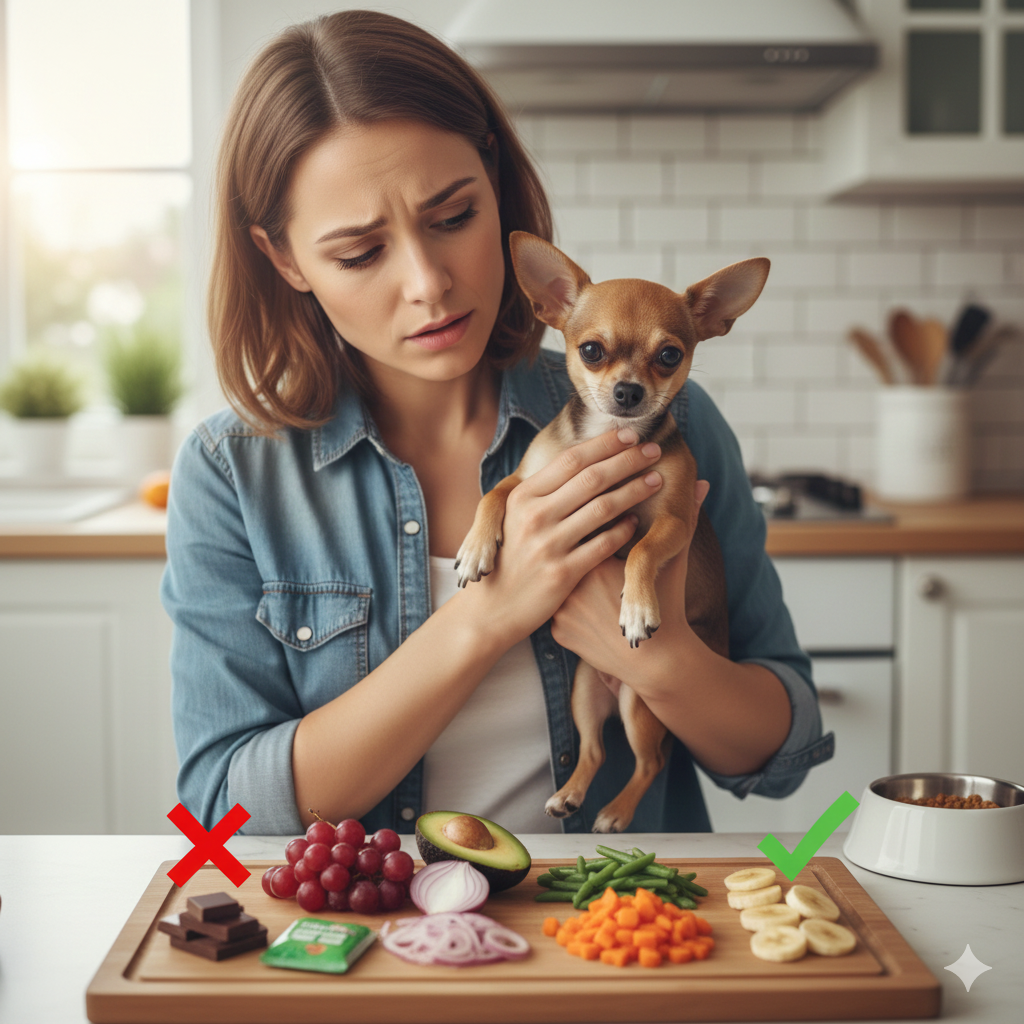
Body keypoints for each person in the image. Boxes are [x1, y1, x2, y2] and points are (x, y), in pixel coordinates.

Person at [161, 9, 832, 837]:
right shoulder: (233, 473)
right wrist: (488, 614)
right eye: (360, 253)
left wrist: (654, 657)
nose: (429, 283)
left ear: (499, 191)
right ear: (285, 259)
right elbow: (219, 822)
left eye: (453, 218)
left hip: (620, 936)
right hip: (365, 949)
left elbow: (783, 754)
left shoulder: (670, 424)